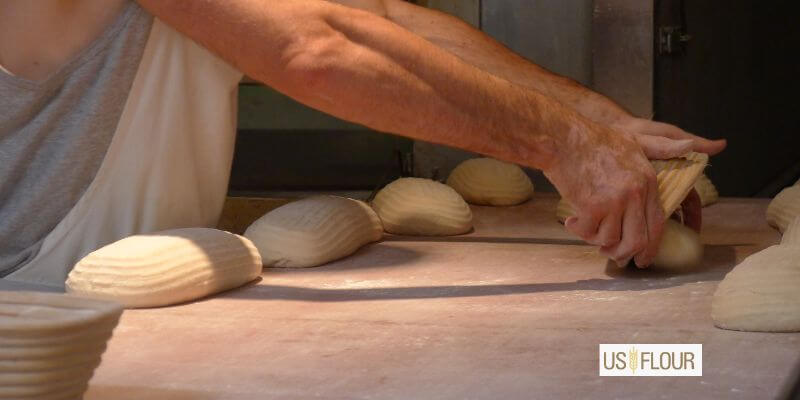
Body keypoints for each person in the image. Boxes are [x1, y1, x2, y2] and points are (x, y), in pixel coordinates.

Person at [0, 0, 725, 289]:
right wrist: (568, 144)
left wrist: (597, 123)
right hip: (31, 321)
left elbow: (361, 18)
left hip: (118, 308)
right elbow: (314, 52)